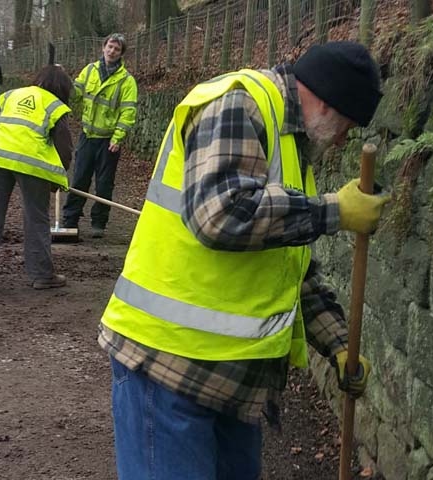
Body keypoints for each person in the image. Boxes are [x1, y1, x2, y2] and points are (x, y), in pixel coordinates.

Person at [98, 41, 391, 479]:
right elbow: (220, 214)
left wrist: (338, 345)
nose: (345, 140)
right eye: (348, 125)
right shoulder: (241, 105)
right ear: (328, 101)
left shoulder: (290, 146)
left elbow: (289, 268)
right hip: (167, 365)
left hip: (231, 382)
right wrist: (333, 211)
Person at [0, 64, 74, 293]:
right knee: (36, 220)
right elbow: (65, 149)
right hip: (32, 167)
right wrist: (57, 179)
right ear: (63, 88)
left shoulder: (10, 96)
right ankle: (41, 276)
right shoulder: (56, 107)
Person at [62, 33, 138, 238]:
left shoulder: (126, 81)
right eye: (110, 47)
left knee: (104, 183)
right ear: (103, 47)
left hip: (108, 141)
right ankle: (70, 220)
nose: (112, 51)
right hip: (88, 136)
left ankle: (99, 223)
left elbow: (128, 111)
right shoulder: (89, 71)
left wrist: (118, 137)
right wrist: (62, 80)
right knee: (79, 180)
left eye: (117, 49)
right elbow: (75, 93)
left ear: (121, 54)